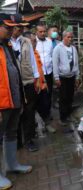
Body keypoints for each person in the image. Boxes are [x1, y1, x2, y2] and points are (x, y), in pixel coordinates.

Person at [0, 15, 32, 189]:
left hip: (13, 99)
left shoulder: (8, 46)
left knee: (11, 133)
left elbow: (14, 71)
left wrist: (21, 96)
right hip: (1, 102)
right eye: (7, 27)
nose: (11, 30)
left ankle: (12, 165)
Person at [10, 24, 41, 152]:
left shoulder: (26, 41)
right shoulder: (5, 42)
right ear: (12, 28)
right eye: (18, 28)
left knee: (29, 111)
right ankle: (15, 141)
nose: (21, 30)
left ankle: (29, 140)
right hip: (14, 83)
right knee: (16, 112)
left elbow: (33, 60)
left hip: (28, 81)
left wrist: (37, 78)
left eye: (22, 28)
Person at [23, 31, 57, 133]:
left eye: (35, 41)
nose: (35, 43)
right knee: (30, 110)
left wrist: (44, 82)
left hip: (41, 85)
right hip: (30, 87)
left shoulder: (36, 52)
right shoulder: (24, 55)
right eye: (33, 41)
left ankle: (46, 124)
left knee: (45, 105)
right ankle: (31, 130)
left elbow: (40, 70)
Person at [52, 31, 80, 126]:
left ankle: (68, 115)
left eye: (71, 37)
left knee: (70, 96)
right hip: (62, 77)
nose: (70, 39)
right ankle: (62, 117)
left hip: (71, 77)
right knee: (63, 97)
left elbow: (76, 63)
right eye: (68, 37)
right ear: (64, 37)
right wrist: (56, 78)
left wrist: (77, 77)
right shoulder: (58, 48)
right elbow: (55, 64)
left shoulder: (73, 48)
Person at [35, 24, 54, 125]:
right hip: (39, 74)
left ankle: (47, 115)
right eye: (40, 32)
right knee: (40, 95)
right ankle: (41, 117)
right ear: (36, 32)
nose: (43, 33)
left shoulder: (49, 42)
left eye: (44, 31)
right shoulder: (34, 42)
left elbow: (51, 55)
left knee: (49, 93)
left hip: (49, 72)